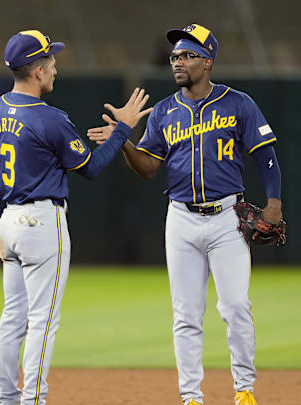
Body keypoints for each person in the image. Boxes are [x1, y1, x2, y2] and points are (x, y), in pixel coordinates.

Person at [87, 23, 283, 405]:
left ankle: (244, 390)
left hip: (228, 218)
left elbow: (266, 155)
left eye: (187, 55)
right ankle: (190, 396)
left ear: (207, 61)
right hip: (180, 219)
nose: (178, 62)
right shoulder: (163, 112)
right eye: (175, 56)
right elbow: (147, 169)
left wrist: (273, 202)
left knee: (236, 307)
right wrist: (122, 141)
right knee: (186, 314)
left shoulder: (238, 103)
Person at [0, 29, 152, 405]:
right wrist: (124, 131)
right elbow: (92, 168)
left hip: (8, 222)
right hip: (41, 224)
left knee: (12, 319)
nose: (54, 67)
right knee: (42, 323)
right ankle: (33, 400)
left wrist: (19, 166)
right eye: (50, 61)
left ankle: (4, 398)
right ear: (36, 71)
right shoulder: (51, 119)